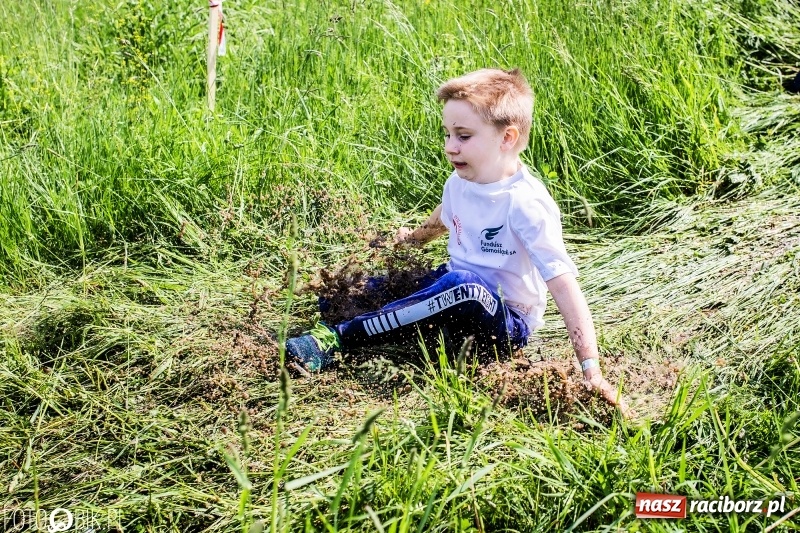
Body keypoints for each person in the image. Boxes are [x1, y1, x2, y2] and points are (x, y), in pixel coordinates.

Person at [286, 68, 626, 411]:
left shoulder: (526, 205)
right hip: (451, 289)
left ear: (507, 138)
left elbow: (564, 285)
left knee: (464, 287)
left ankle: (338, 339)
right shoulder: (461, 180)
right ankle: (365, 321)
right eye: (447, 134)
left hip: (501, 322)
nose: (450, 147)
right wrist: (412, 240)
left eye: (463, 136)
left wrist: (591, 370)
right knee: (344, 296)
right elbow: (445, 216)